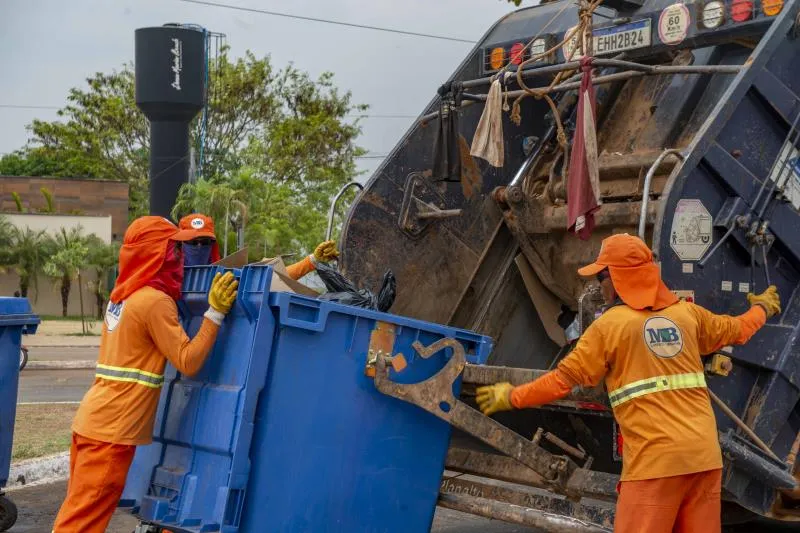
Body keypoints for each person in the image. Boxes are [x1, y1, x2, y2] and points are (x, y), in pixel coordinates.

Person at [475, 233, 781, 533]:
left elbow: (562, 381)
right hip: (703, 461)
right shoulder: (688, 316)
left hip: (655, 465)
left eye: (600, 279)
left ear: (616, 278)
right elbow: (738, 329)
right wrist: (762, 308)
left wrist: (512, 396)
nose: (599, 287)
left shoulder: (609, 327)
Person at [52, 216, 239, 533]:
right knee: (80, 525)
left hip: (91, 424)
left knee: (75, 516)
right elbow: (188, 361)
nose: (180, 257)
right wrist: (215, 312)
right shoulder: (154, 301)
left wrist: (307, 264)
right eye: (175, 250)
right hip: (111, 434)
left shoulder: (123, 295)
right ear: (157, 254)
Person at [178, 212, 340, 278]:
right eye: (192, 242)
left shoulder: (222, 276)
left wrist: (311, 261)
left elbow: (267, 278)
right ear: (181, 244)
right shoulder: (166, 278)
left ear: (213, 244)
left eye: (205, 242)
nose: (199, 247)